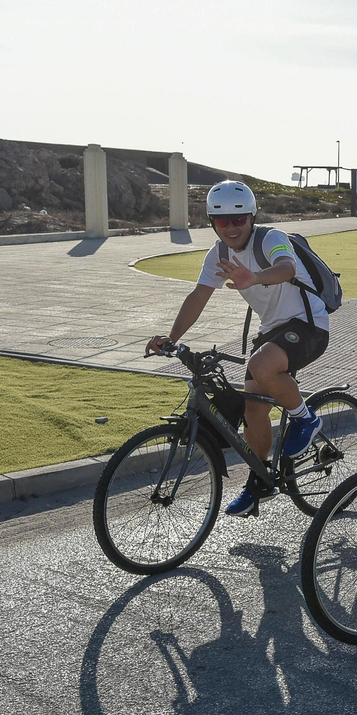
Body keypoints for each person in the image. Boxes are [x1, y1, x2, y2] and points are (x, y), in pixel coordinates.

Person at [147, 180, 329, 517]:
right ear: (212, 222)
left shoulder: (271, 238)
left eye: (239, 219)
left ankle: (306, 419)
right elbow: (199, 296)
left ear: (251, 217)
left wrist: (254, 278)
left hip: (309, 324)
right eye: (221, 221)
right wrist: (170, 338)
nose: (230, 228)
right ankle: (260, 481)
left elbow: (286, 267)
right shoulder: (219, 254)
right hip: (272, 330)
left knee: (261, 365)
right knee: (253, 410)